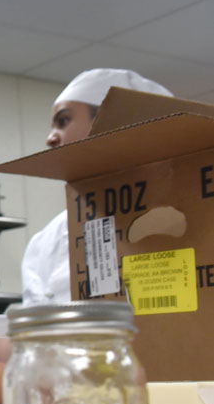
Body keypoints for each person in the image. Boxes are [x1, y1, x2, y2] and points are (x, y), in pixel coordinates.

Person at [21, 68, 174, 304]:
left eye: (63, 121)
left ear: (112, 123)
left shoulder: (189, 214)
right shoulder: (47, 242)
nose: (50, 138)